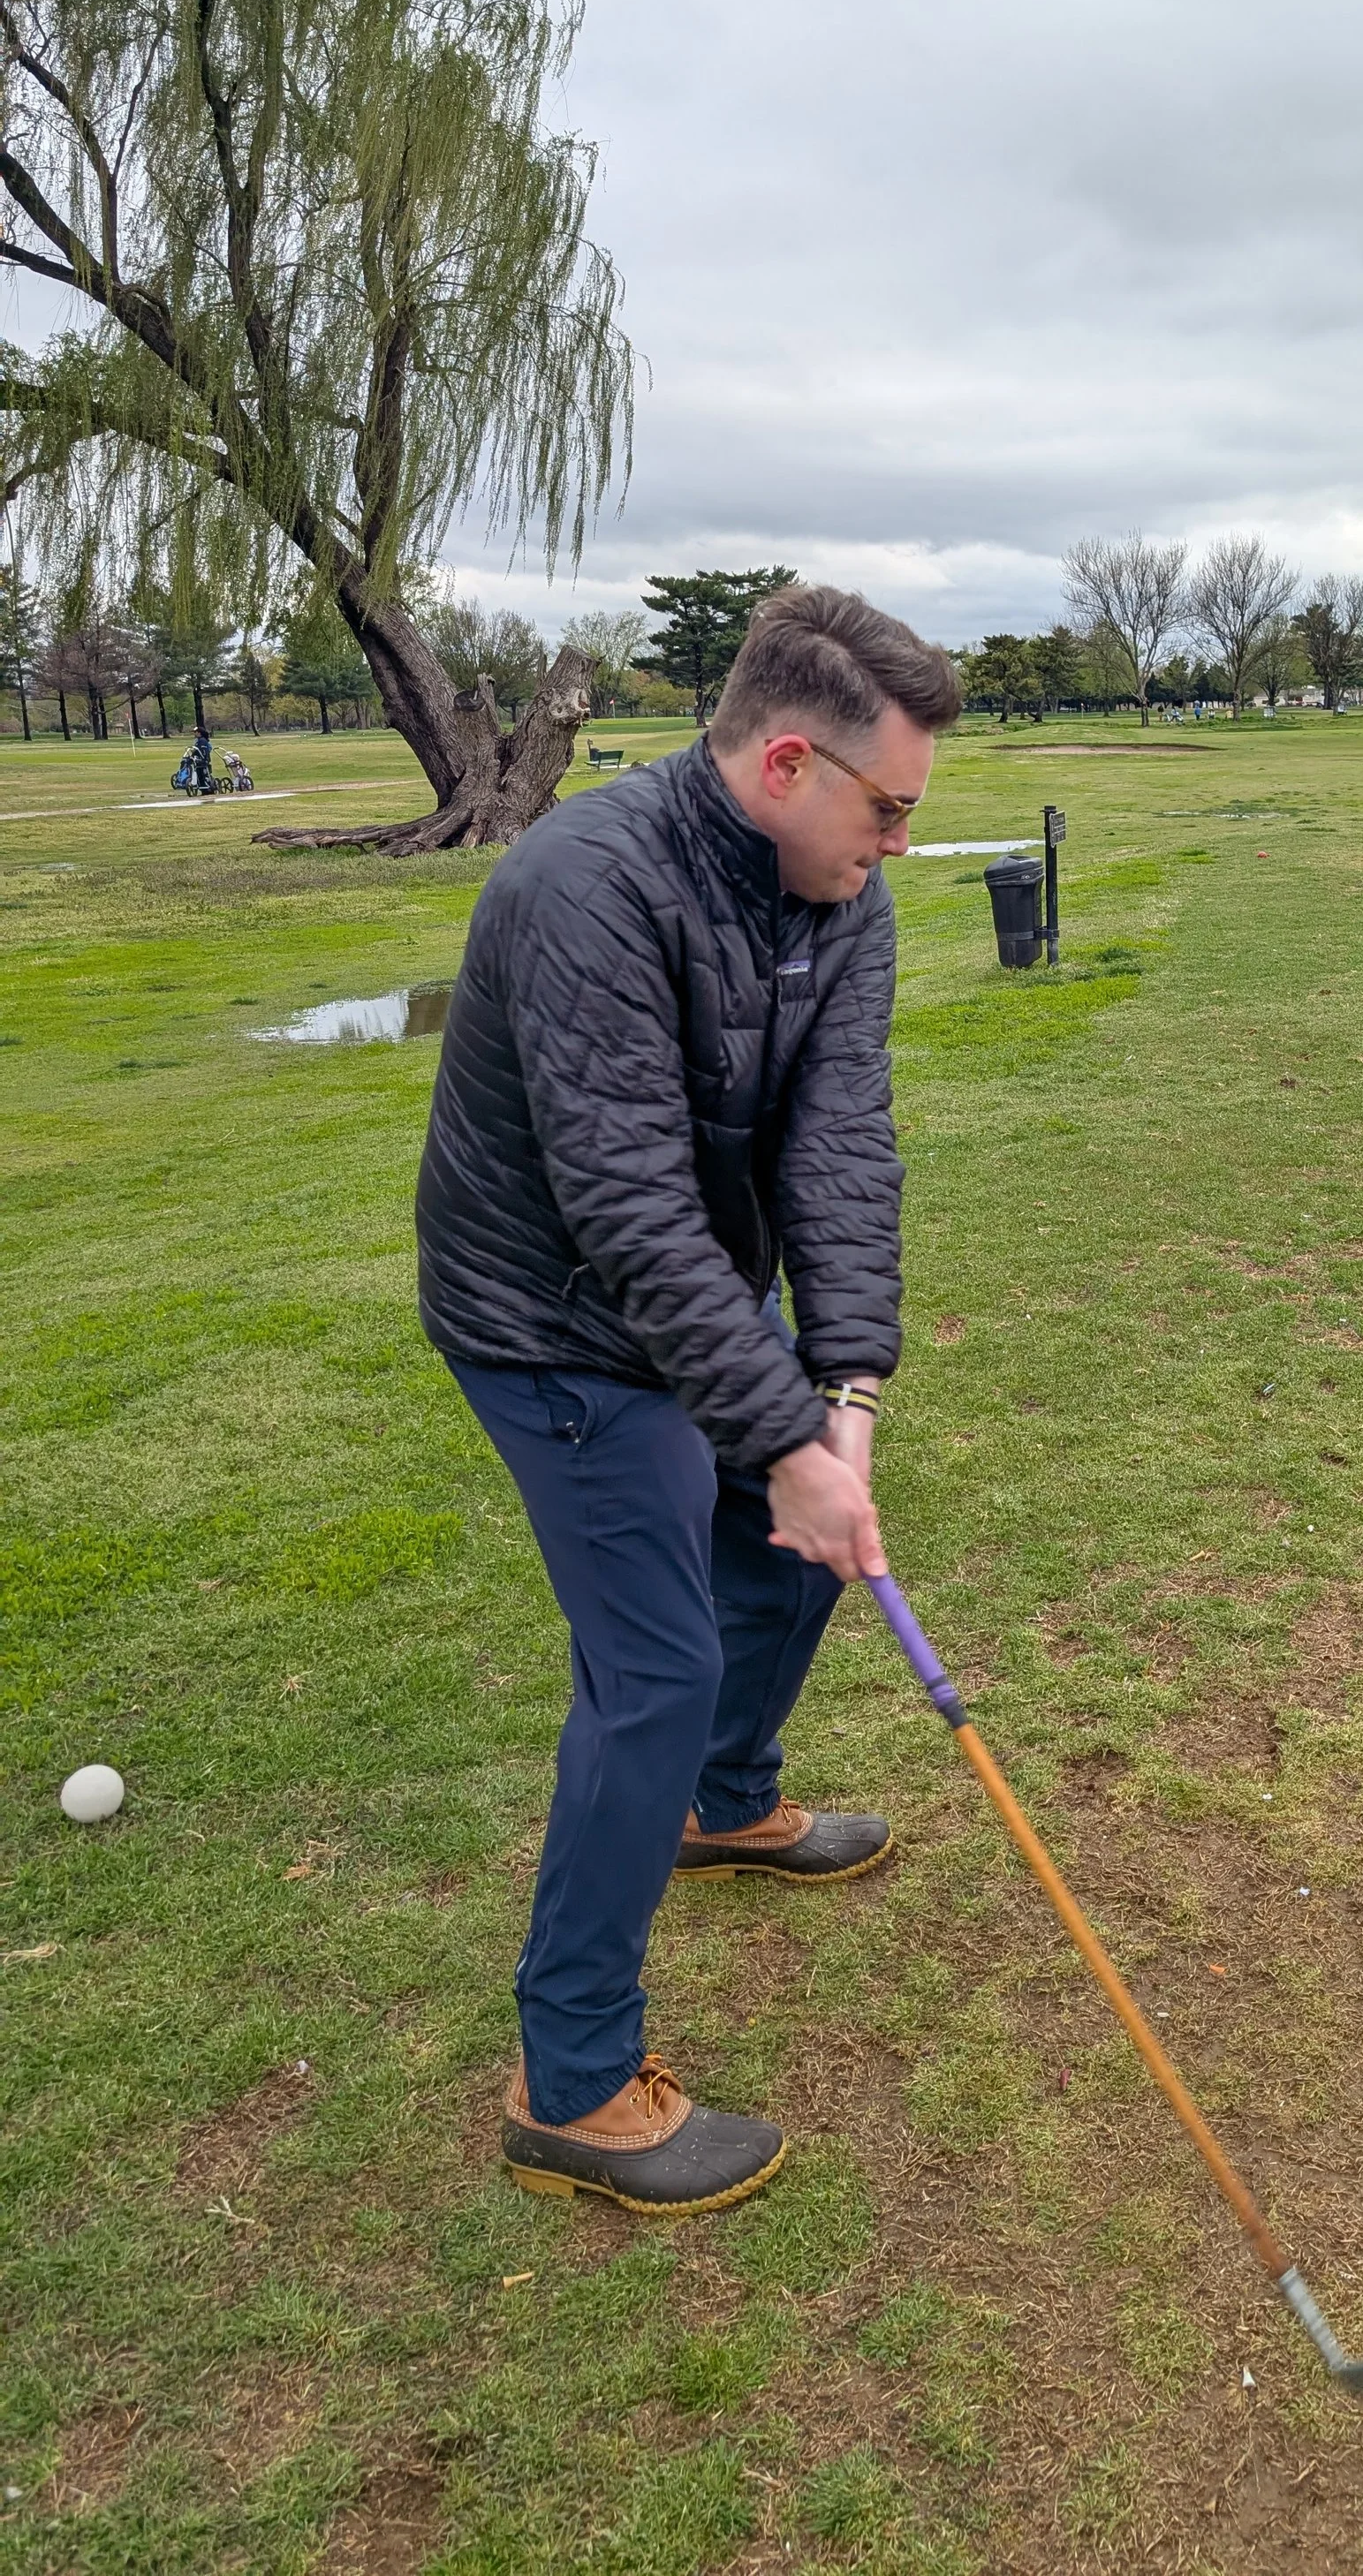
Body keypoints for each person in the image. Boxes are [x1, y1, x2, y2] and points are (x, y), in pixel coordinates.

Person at [415, 584, 964, 2214]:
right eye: (891, 808)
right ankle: (571, 2082)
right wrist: (779, 1433)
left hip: (691, 1302)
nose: (903, 846)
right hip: (549, 1323)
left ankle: (727, 1806)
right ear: (789, 760)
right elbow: (629, 1207)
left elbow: (839, 1142)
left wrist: (842, 1398)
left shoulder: (837, 890)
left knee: (808, 1542)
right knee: (651, 1665)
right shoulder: (582, 887)